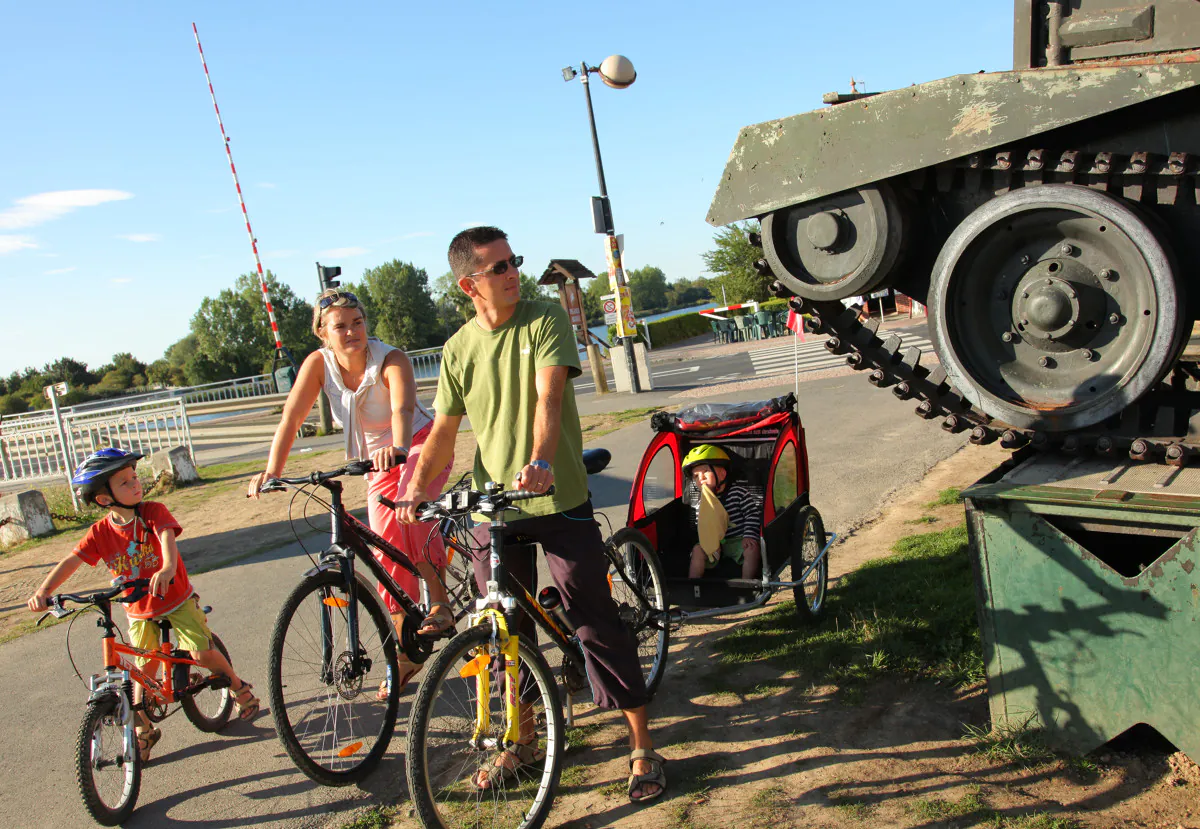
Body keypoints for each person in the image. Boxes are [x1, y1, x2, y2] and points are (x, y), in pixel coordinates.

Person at [396, 226, 666, 803]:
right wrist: (416, 490)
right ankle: (517, 744)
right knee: (500, 633)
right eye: (499, 267)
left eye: (513, 260)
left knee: (592, 617)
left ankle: (641, 743)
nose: (513, 271)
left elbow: (548, 397)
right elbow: (443, 431)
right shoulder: (458, 349)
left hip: (557, 495)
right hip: (496, 506)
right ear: (469, 284)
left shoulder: (543, 318)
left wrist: (541, 459)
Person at [247, 288, 454, 697]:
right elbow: (292, 415)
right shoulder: (317, 365)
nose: (351, 331)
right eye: (339, 325)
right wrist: (272, 471)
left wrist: (396, 447)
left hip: (419, 441)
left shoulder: (389, 358)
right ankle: (406, 647)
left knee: (409, 518)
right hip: (376, 456)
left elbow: (403, 409)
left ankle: (441, 604)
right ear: (322, 333)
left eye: (357, 322)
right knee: (383, 545)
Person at [26, 448, 259, 763]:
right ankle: (143, 729)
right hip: (138, 609)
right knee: (140, 673)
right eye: (124, 482)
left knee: (199, 652)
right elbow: (72, 560)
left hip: (175, 599)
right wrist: (44, 591)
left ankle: (237, 687)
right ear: (104, 499)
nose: (135, 484)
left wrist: (166, 568)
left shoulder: (153, 512)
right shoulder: (100, 533)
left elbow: (167, 539)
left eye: (134, 477)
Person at [682, 444, 763, 580]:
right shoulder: (701, 503)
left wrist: (749, 535)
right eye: (696, 476)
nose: (700, 478)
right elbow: (702, 525)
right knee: (697, 550)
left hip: (738, 541)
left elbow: (752, 514)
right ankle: (694, 584)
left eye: (705, 472)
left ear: (722, 473)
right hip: (715, 544)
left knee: (752, 549)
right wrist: (709, 542)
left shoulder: (738, 493)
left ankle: (746, 584)